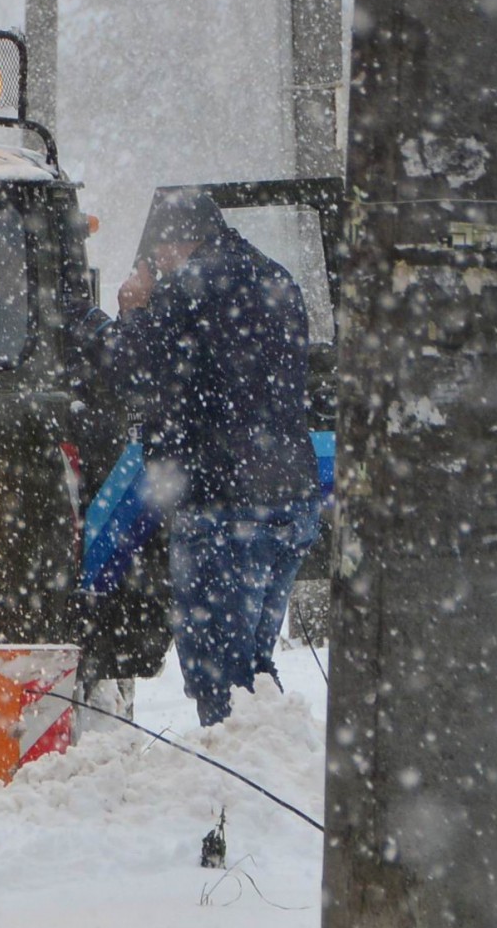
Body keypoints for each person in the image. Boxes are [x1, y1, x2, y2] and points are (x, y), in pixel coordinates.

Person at [73, 189, 321, 727]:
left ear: (177, 242)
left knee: (218, 672)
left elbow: (128, 369)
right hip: (290, 502)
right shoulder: (276, 278)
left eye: (157, 254)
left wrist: (123, 313)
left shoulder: (192, 287)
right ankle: (271, 762)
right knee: (253, 667)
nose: (155, 265)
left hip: (224, 506)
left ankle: (242, 793)